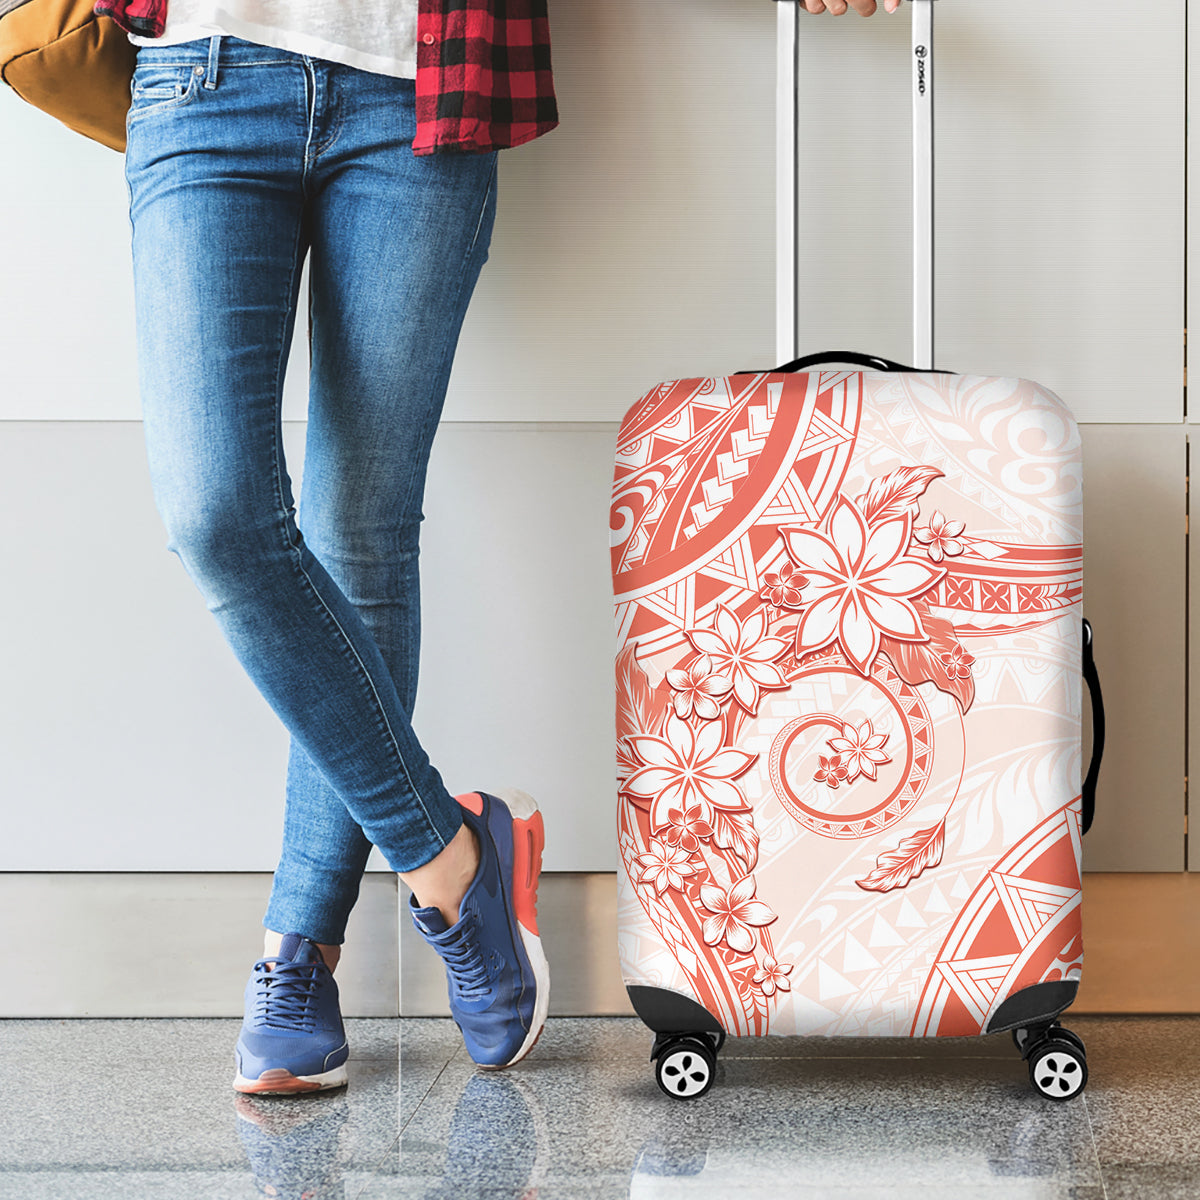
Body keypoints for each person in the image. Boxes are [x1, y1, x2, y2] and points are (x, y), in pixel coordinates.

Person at [94, 0, 557, 1093]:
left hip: (420, 91)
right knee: (214, 515)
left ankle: (298, 954)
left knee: (363, 532)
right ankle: (451, 855)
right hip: (203, 81)